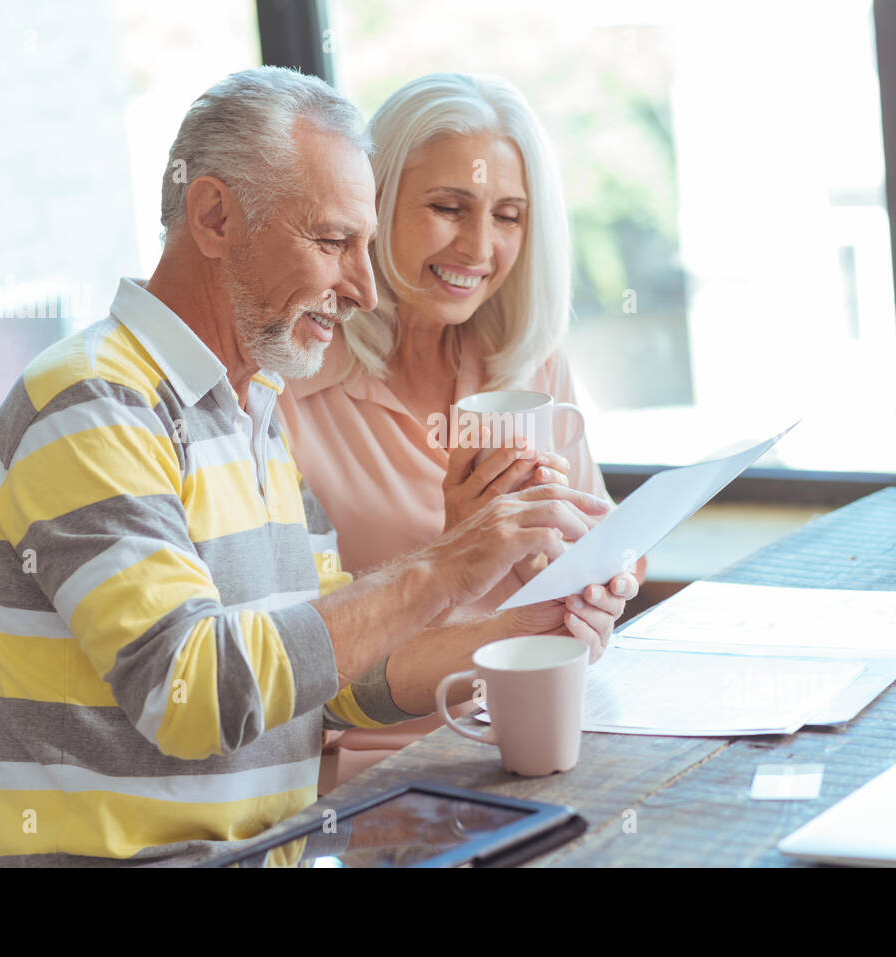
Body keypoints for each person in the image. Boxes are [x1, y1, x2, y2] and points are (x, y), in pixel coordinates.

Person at [0, 66, 638, 866]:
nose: (361, 286)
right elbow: (194, 692)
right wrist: (444, 566)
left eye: (366, 245)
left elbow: (342, 682)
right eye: (331, 242)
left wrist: (523, 626)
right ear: (214, 215)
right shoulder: (89, 402)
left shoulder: (248, 410)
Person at [276, 73, 646, 791]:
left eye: (509, 216)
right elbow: (297, 662)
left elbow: (602, 549)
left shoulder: (530, 364)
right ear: (373, 204)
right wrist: (457, 558)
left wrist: (600, 589)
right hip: (375, 772)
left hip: (540, 737)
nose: (479, 247)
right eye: (449, 208)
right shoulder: (293, 383)